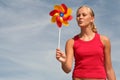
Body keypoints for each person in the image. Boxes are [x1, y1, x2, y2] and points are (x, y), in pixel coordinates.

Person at [56, 5, 116, 80]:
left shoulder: (104, 40)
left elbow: (109, 70)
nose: (80, 17)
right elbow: (67, 69)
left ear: (92, 18)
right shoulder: (71, 42)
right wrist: (63, 61)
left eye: (84, 15)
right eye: (78, 15)